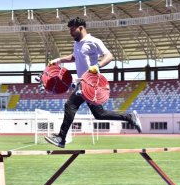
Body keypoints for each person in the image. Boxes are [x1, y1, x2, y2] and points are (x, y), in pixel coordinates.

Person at [45, 17, 142, 148]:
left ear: (81, 28)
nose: (70, 33)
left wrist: (98, 65)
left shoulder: (93, 41)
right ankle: (129, 117)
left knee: (71, 106)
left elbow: (109, 56)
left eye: (72, 30)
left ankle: (61, 138)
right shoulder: (77, 43)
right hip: (83, 84)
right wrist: (58, 60)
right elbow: (74, 57)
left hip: (92, 84)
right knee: (98, 114)